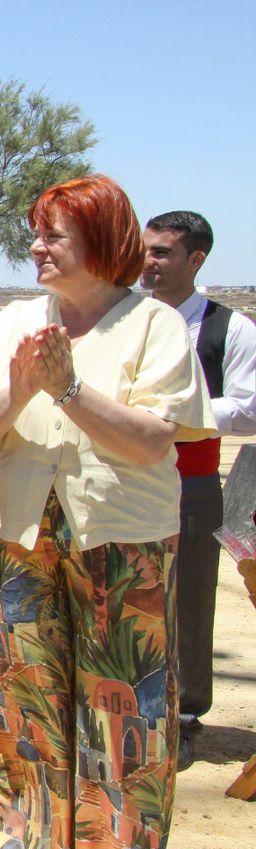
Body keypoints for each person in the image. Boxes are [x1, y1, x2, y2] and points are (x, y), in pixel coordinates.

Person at [0, 174, 213, 849]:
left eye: (53, 234)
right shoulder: (15, 323)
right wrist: (20, 386)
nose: (35, 246)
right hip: (31, 534)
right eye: (35, 232)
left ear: (101, 242)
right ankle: (30, 848)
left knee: (124, 710)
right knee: (30, 698)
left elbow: (154, 439)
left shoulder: (153, 326)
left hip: (123, 542)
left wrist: (66, 391)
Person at [139, 210, 256, 765]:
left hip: (191, 480)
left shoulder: (228, 328)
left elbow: (250, 406)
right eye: (146, 250)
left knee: (189, 597)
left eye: (162, 253)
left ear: (196, 260)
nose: (149, 262)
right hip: (125, 479)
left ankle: (184, 715)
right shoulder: (122, 318)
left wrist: (184, 413)